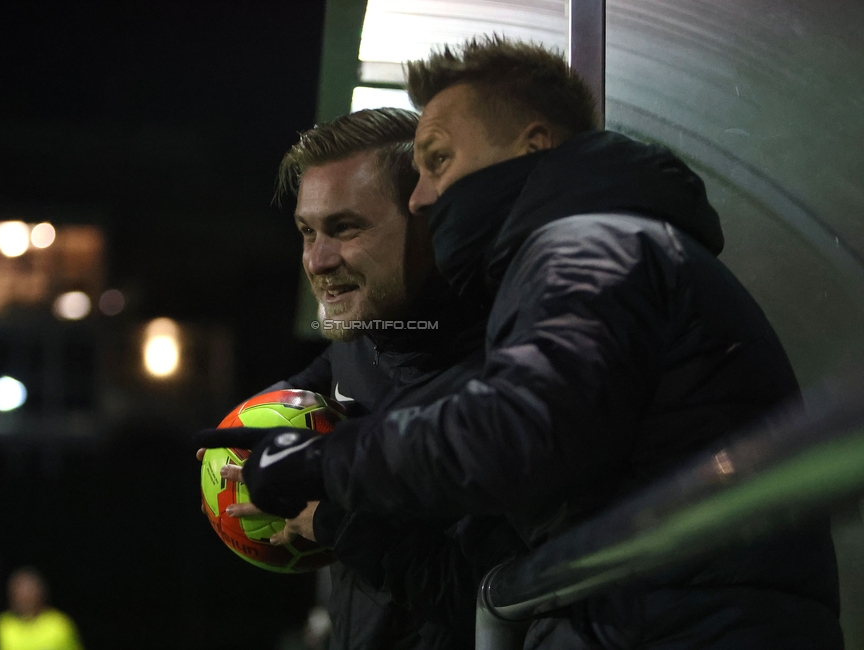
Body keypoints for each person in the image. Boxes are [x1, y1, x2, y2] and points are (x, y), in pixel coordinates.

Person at [203, 37, 843, 648]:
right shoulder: (559, 268)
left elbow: (519, 430)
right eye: (305, 232)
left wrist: (327, 472)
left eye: (440, 160)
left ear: (530, 146)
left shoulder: (590, 251)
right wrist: (280, 423)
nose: (426, 196)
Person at [198, 107, 523, 649]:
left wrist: (338, 522)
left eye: (345, 228)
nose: (318, 260)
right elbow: (337, 370)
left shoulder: (507, 383)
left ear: (433, 220)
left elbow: (507, 603)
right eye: (307, 231)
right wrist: (267, 410)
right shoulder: (374, 330)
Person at [0, 567, 83, 650]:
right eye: (20, 594)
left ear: (41, 594)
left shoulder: (59, 625)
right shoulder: (2, 625)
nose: (25, 598)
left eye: (29, 593)